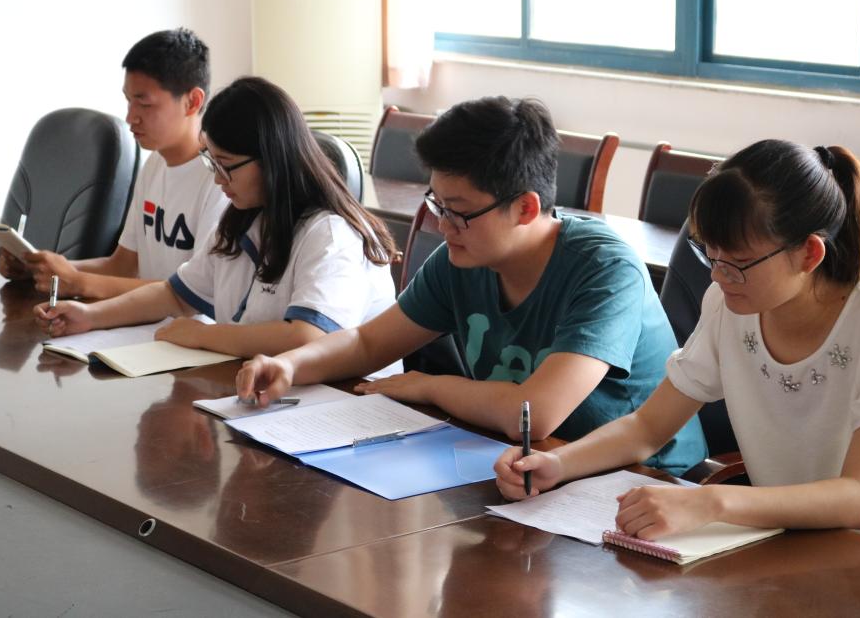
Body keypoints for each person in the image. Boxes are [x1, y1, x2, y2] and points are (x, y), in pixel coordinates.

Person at [495, 139, 860, 558]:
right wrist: (557, 463)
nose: (716, 275)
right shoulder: (731, 306)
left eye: (737, 262)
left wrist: (711, 501)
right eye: (709, 254)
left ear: (809, 254)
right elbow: (647, 427)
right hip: (781, 542)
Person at [235, 96, 706, 475]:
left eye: (458, 212)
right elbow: (367, 343)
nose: (443, 227)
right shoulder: (463, 258)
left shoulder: (604, 269)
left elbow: (534, 413)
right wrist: (290, 364)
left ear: (525, 208)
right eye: (436, 205)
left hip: (643, 478)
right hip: (526, 463)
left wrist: (430, 386)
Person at [34, 76, 399, 367]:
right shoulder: (243, 219)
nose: (217, 178)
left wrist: (204, 335)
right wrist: (90, 316)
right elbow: (175, 295)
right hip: (264, 390)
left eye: (226, 165)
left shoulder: (331, 234)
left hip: (345, 404)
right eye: (211, 162)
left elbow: (308, 337)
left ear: (271, 159)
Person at [0, 28, 228, 299]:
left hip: (183, 324)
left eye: (144, 104)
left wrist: (78, 282)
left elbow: (194, 293)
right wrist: (39, 270)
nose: (131, 117)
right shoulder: (154, 164)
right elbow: (122, 266)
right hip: (139, 318)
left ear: (192, 102)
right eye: (129, 101)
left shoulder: (219, 181)